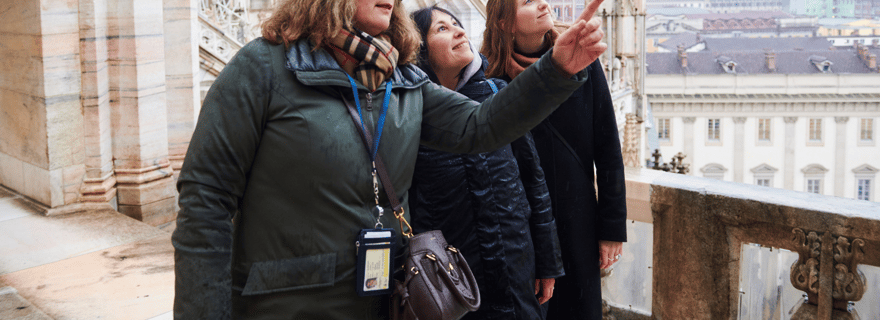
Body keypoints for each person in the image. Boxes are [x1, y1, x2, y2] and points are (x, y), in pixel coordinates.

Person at [171, 0, 607, 317]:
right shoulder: (263, 68)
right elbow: (205, 202)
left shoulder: (402, 80)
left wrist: (556, 68)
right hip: (287, 306)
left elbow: (481, 126)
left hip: (385, 302)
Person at [408, 6, 564, 320]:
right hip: (451, 282)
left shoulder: (497, 94)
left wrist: (548, 263)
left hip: (516, 268)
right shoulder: (411, 114)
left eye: (457, 24)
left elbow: (534, 182)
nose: (459, 31)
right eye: (442, 28)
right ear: (420, 49)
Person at [481, 0, 628, 319]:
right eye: (527, 1)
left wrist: (612, 228)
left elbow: (607, 145)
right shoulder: (490, 77)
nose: (543, 4)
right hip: (524, 226)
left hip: (579, 220)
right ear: (505, 23)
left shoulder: (581, 58)